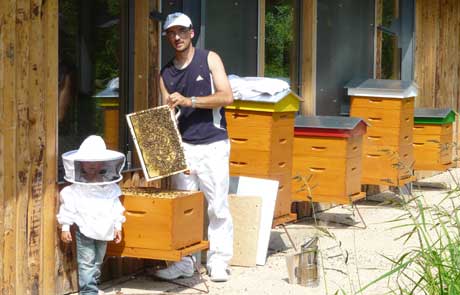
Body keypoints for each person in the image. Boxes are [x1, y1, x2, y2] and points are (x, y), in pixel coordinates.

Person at [154, 12, 234, 282]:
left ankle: (219, 260)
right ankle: (185, 263)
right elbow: (167, 119)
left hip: (213, 143)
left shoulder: (209, 58)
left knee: (217, 207)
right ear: (167, 37)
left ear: (192, 33)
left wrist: (190, 101)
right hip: (185, 148)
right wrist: (174, 155)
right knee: (184, 208)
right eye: (171, 33)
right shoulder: (164, 73)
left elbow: (227, 97)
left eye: (181, 31)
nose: (177, 37)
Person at [57, 135, 126, 295]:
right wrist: (65, 227)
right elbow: (68, 208)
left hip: (105, 229)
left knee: (97, 261)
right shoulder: (75, 189)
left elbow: (116, 207)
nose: (92, 165)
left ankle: (92, 287)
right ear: (81, 163)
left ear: (103, 163)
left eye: (96, 161)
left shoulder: (109, 187)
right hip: (85, 229)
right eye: (88, 161)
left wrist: (118, 226)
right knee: (86, 262)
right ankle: (88, 292)